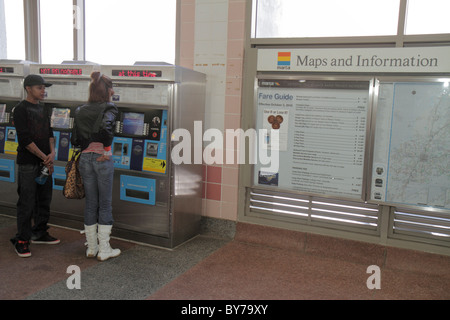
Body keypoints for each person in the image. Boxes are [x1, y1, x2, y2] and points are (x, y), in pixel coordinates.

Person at [71, 71, 120, 262]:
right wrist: (106, 150)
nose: (113, 90)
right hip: (101, 159)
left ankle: (92, 248)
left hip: (85, 159)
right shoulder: (109, 108)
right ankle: (105, 249)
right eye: (112, 87)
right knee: (105, 204)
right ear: (106, 90)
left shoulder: (81, 109)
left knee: (91, 203)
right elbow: (107, 129)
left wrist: (87, 146)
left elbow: (75, 138)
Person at [10, 74, 60, 258]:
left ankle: (40, 232)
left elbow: (50, 132)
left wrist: (52, 154)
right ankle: (22, 240)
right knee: (26, 202)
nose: (43, 90)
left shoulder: (43, 108)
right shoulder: (20, 109)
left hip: (45, 162)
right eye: (40, 87)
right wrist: (43, 157)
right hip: (28, 163)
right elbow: (25, 140)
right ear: (28, 88)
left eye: (44, 87)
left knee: (44, 199)